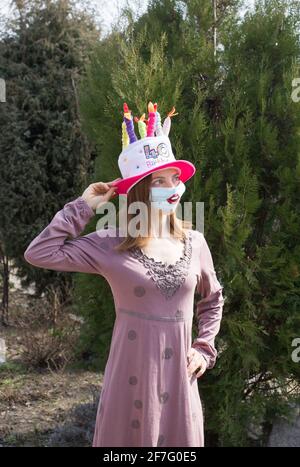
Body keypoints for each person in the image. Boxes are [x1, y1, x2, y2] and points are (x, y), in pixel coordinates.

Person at [24, 102, 224, 447]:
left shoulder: (196, 242)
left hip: (180, 385)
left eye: (175, 177)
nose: (173, 186)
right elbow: (40, 252)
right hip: (129, 384)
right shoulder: (110, 242)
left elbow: (213, 299)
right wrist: (84, 206)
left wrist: (204, 348)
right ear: (142, 191)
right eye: (160, 180)